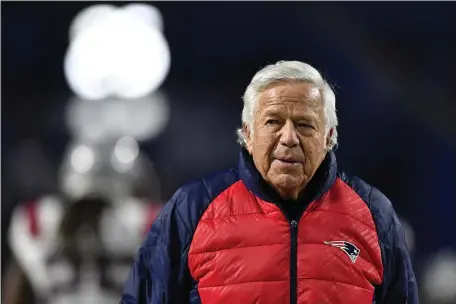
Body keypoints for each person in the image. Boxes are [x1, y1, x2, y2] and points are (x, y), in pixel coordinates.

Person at [120, 60, 418, 304]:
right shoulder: (192, 209)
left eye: (304, 125)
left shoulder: (373, 214)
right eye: (273, 122)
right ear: (248, 134)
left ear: (329, 137)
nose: (289, 138)